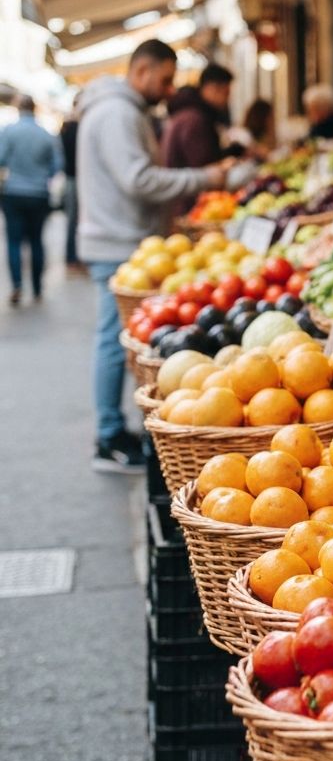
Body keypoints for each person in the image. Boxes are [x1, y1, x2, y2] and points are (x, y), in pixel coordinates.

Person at [77, 39, 229, 474]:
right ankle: (107, 437)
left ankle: (112, 430)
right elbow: (138, 180)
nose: (168, 90)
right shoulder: (117, 114)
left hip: (124, 238)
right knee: (112, 337)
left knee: (114, 337)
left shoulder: (121, 111)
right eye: (164, 79)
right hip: (118, 240)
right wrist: (205, 177)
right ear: (142, 71)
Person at [0, 94, 64, 306]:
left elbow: (1, 158)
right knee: (36, 241)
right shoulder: (46, 134)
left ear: (18, 108)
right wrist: (41, 175)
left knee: (14, 241)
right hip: (38, 193)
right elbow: (57, 165)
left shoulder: (9, 131)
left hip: (14, 192)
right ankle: (37, 288)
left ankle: (17, 284)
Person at [160, 63, 234, 215]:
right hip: (189, 207)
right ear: (212, 88)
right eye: (226, 93)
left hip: (180, 202)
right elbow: (203, 166)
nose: (227, 100)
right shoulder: (195, 120)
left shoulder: (188, 114)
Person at [60, 96, 86, 275]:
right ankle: (72, 258)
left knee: (76, 220)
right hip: (75, 179)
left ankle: (75, 258)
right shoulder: (73, 128)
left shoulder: (68, 127)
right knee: (74, 221)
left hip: (75, 179)